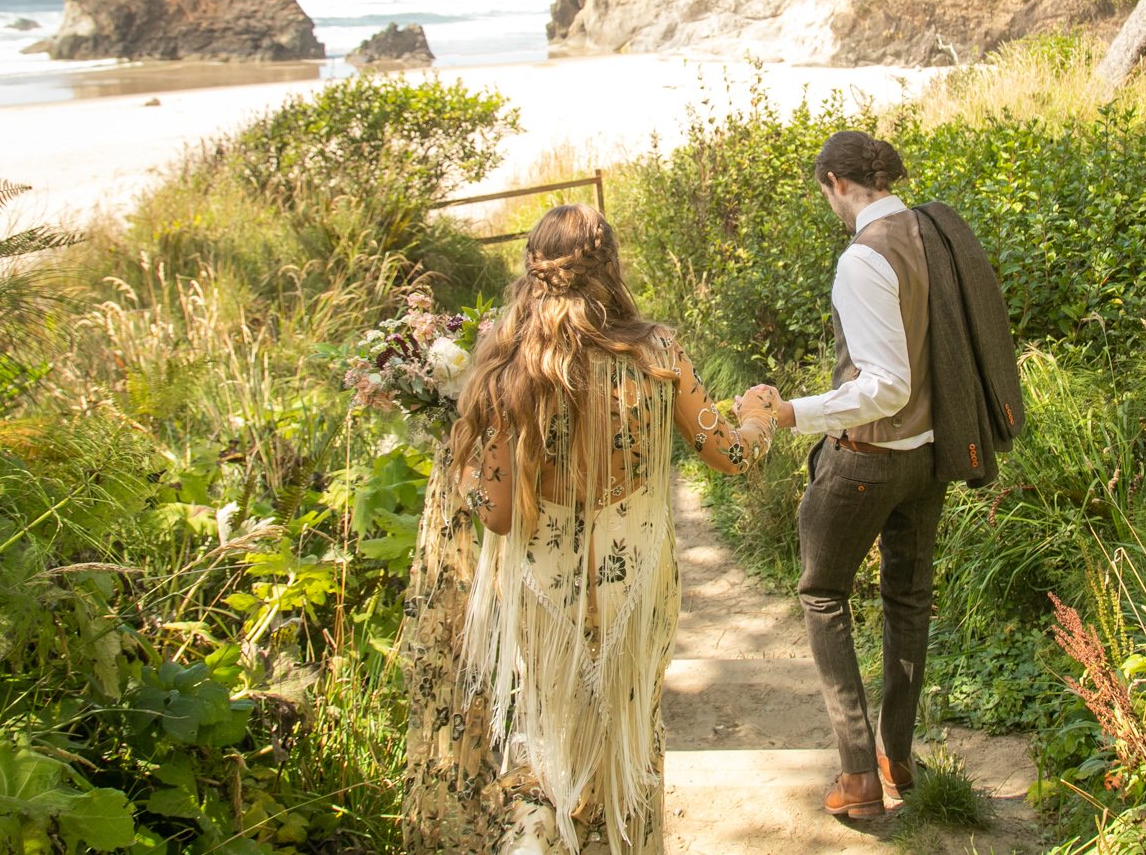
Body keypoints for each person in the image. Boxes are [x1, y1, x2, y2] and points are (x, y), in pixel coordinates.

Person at [405, 202, 777, 854]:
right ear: (610, 265)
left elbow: (498, 513)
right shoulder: (655, 350)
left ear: (532, 268)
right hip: (633, 589)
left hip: (547, 600)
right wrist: (760, 414)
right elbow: (732, 453)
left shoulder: (510, 366)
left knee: (550, 748)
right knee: (631, 739)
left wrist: (457, 476)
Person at [748, 129, 1017, 821]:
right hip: (931, 456)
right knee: (905, 601)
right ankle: (898, 758)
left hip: (868, 458)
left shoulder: (863, 258)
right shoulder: (930, 231)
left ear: (838, 183)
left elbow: (886, 385)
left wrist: (790, 413)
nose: (830, 208)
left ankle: (859, 775)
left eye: (826, 195)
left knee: (822, 594)